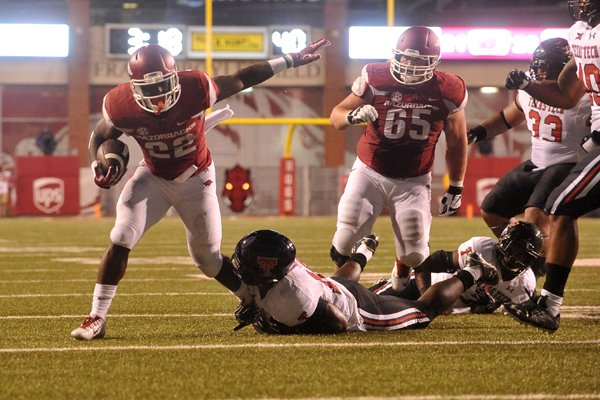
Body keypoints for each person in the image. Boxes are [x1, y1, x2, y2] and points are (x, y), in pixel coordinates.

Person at [70, 39, 330, 340]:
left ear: (175, 77)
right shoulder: (119, 104)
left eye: (163, 86)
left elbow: (243, 77)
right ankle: (96, 317)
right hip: (153, 175)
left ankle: (250, 298)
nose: (157, 98)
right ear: (133, 86)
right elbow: (100, 136)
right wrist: (95, 164)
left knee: (207, 259)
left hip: (197, 177)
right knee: (121, 235)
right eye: (148, 90)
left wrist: (290, 60)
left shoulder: (196, 87)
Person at [328, 26, 468, 294]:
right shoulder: (376, 77)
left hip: (414, 180)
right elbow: (336, 115)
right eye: (403, 57)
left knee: (415, 254)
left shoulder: (449, 89)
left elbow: (458, 141)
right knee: (346, 237)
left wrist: (456, 185)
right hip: (370, 171)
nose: (408, 64)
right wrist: (352, 116)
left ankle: (402, 265)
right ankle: (342, 293)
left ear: (433, 63)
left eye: (416, 60)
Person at [500, 0, 600, 332]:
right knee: (562, 206)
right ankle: (549, 306)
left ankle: (549, 306)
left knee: (561, 205)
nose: (581, 4)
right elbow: (568, 95)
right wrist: (528, 85)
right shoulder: (580, 33)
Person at [232, 230, 499, 334]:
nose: (241, 267)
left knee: (421, 312)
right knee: (341, 279)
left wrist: (273, 324)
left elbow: (336, 322)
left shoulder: (293, 295)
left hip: (357, 309)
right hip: (332, 287)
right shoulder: (280, 271)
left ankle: (471, 272)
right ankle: (365, 250)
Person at [469, 38, 590, 254]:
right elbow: (507, 118)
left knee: (535, 215)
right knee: (491, 209)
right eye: (539, 67)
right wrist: (478, 132)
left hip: (568, 165)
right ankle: (523, 253)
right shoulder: (528, 91)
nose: (541, 73)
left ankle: (537, 265)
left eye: (547, 68)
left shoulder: (584, 97)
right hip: (537, 163)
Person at [369, 221, 544, 315]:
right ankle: (402, 267)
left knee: (396, 316)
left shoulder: (525, 284)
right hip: (432, 286)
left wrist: (485, 306)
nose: (515, 258)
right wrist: (424, 296)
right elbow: (427, 263)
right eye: (514, 251)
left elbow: (498, 303)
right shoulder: (482, 249)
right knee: (367, 304)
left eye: (523, 256)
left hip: (450, 306)